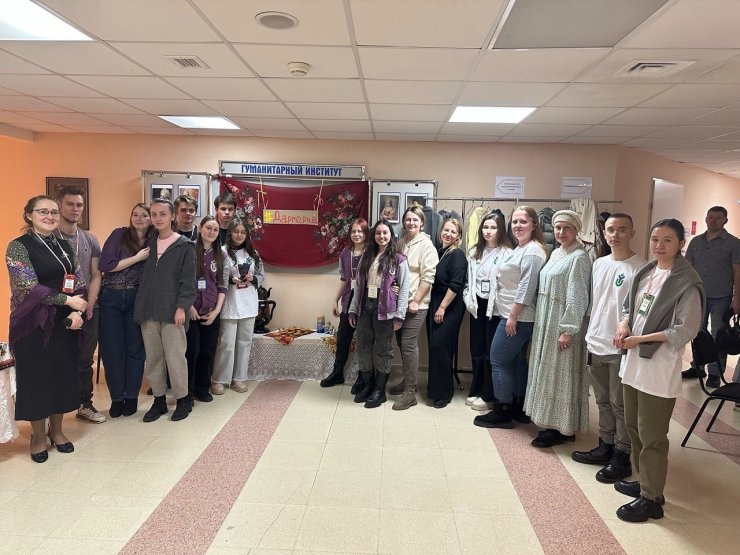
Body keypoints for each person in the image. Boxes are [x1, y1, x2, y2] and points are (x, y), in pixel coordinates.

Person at [613, 219, 704, 522]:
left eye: (667, 240)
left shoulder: (686, 282)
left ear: (681, 244)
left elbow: (685, 329)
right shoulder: (647, 272)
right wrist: (624, 324)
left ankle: (652, 499)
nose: (659, 245)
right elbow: (629, 307)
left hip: (658, 366)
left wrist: (640, 340)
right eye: (655, 239)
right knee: (634, 426)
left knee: (652, 434)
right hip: (634, 362)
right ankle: (645, 482)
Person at [6, 196, 87, 462]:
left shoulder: (64, 246)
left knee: (61, 376)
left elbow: (78, 280)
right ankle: (38, 436)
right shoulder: (18, 246)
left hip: (65, 323)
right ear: (29, 215)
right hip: (32, 325)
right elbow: (27, 286)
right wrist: (67, 301)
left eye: (54, 212)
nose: (50, 216)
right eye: (43, 211)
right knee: (37, 380)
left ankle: (58, 431)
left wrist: (76, 311)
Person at [571, 214, 645, 482]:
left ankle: (622, 456)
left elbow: (640, 309)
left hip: (620, 347)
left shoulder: (640, 268)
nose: (615, 235)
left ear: (632, 233)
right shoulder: (599, 264)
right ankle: (606, 445)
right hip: (596, 341)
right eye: (611, 230)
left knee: (619, 403)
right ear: (605, 233)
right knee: (602, 400)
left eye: (622, 230)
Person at [474, 206, 547, 429]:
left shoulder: (532, 251)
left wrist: (512, 316)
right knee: (515, 361)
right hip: (512, 314)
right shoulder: (521, 248)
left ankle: (502, 411)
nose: (517, 226)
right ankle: (518, 406)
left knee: (498, 360)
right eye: (514, 222)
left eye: (523, 221)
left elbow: (526, 287)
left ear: (534, 224)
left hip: (517, 316)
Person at [524, 210, 592, 447]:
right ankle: (550, 421)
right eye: (558, 228)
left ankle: (563, 428)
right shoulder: (556, 253)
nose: (561, 232)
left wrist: (568, 330)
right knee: (548, 372)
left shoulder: (579, 258)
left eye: (567, 228)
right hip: (546, 319)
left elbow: (578, 296)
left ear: (576, 230)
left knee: (561, 373)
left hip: (561, 323)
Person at [134, 198, 196, 422]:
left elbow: (188, 282)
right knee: (153, 359)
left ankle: (183, 399)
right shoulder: (148, 245)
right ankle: (159, 401)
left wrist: (182, 307)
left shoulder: (184, 246)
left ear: (172, 216)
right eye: (154, 214)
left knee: (175, 357)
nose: (158, 218)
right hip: (148, 311)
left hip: (172, 313)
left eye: (163, 214)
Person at [55, 186, 105, 424]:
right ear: (59, 205)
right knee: (55, 359)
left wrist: (90, 303)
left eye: (79, 205)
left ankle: (85, 404)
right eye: (70, 204)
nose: (75, 209)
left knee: (85, 359)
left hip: (87, 307)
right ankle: (50, 412)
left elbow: (96, 274)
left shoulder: (89, 239)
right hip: (57, 307)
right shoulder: (49, 237)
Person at [98, 203, 154, 417]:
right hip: (111, 296)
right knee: (113, 351)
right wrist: (138, 257)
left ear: (151, 219)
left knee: (135, 350)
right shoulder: (119, 235)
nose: (139, 218)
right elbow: (106, 265)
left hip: (136, 297)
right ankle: (116, 398)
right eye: (135, 214)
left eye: (144, 215)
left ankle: (131, 397)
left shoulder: (154, 240)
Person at [349, 220, 409, 409]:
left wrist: (399, 316)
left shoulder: (399, 259)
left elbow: (404, 289)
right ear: (373, 235)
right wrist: (353, 309)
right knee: (363, 346)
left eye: (385, 233)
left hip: (386, 309)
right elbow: (358, 286)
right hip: (365, 306)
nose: (381, 236)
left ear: (391, 235)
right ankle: (368, 384)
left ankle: (379, 390)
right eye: (378, 233)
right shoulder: (367, 256)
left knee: (384, 349)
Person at [682, 206, 740, 388]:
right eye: (710, 217)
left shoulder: (734, 243)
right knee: (696, 331)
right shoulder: (696, 242)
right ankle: (697, 367)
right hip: (698, 295)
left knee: (718, 335)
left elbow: (738, 272)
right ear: (706, 219)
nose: (713, 221)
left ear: (725, 220)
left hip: (721, 296)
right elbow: (688, 267)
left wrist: (737, 298)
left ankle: (715, 372)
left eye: (718, 218)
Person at [390, 204, 438, 410]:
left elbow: (428, 277)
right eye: (408, 219)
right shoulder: (401, 243)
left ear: (422, 223)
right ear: (403, 222)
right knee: (401, 344)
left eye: (415, 220)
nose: (411, 223)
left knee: (408, 345)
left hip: (416, 304)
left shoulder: (426, 245)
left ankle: (410, 392)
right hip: (400, 304)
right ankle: (407, 382)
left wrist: (416, 300)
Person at [463, 211, 512, 411]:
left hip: (496, 308)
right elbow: (469, 279)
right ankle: (475, 389)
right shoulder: (475, 251)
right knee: (476, 349)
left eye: (493, 227)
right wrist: (468, 298)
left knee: (490, 353)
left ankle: (488, 393)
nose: (488, 231)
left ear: (500, 230)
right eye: (485, 227)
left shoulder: (507, 253)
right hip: (477, 305)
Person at [211, 219, 264, 394]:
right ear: (230, 233)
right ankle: (219, 379)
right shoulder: (222, 252)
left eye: (243, 232)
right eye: (236, 231)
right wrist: (229, 280)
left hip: (248, 303)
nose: (239, 235)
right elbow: (215, 276)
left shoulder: (253, 253)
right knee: (226, 343)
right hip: (229, 303)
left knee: (244, 343)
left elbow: (261, 275)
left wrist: (253, 279)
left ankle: (239, 378)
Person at [321, 218, 368, 389]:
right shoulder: (345, 253)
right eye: (354, 231)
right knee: (342, 339)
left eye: (360, 231)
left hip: (365, 302)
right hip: (348, 300)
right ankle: (337, 373)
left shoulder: (371, 252)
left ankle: (363, 377)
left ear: (366, 233)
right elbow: (344, 279)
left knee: (364, 340)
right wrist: (335, 300)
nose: (357, 234)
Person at [427, 218, 467, 408]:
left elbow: (456, 284)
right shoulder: (439, 251)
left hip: (449, 304)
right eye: (446, 230)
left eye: (453, 232)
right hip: (435, 301)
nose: (448, 234)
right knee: (435, 347)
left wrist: (442, 307)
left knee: (441, 347)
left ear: (458, 236)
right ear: (440, 231)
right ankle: (435, 390)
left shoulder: (457, 255)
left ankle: (444, 393)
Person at [186, 216, 227, 403]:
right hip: (191, 311)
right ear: (200, 228)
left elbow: (222, 286)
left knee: (207, 352)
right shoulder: (188, 250)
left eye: (215, 229)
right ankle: (187, 391)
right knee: (191, 352)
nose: (211, 232)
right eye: (208, 228)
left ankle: (202, 388)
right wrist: (188, 306)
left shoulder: (221, 255)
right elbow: (180, 281)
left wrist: (216, 312)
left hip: (211, 311)